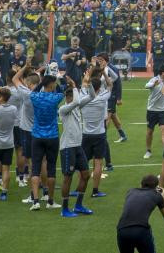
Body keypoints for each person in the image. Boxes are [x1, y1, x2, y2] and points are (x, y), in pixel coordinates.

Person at [58, 75, 98, 217]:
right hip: (67, 147)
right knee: (67, 177)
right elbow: (75, 102)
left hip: (77, 146)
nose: (72, 99)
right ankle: (64, 209)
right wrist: (75, 85)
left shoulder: (75, 106)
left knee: (86, 175)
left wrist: (89, 83)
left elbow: (92, 96)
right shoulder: (63, 109)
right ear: (67, 98)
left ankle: (79, 205)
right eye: (70, 97)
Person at [28, 74, 65, 210]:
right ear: (52, 85)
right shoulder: (55, 98)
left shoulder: (36, 97)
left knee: (36, 169)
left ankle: (36, 201)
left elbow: (33, 92)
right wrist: (57, 77)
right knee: (51, 169)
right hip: (52, 137)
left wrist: (42, 82)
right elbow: (61, 91)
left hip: (37, 136)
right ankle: (50, 201)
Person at [82, 59, 114, 199]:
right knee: (98, 162)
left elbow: (84, 85)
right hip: (99, 134)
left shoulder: (84, 96)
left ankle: (80, 188)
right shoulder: (102, 97)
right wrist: (104, 74)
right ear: (98, 88)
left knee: (84, 162)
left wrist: (88, 76)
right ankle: (95, 190)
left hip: (85, 134)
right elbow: (110, 85)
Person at [116, 174, 164, 253]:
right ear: (156, 187)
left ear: (141, 184)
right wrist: (163, 196)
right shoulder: (157, 195)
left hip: (122, 230)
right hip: (140, 230)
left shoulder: (131, 191)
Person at [144, 64, 164, 159]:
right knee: (149, 132)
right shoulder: (155, 79)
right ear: (163, 73)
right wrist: (153, 84)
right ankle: (148, 150)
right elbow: (146, 86)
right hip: (152, 110)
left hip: (163, 110)